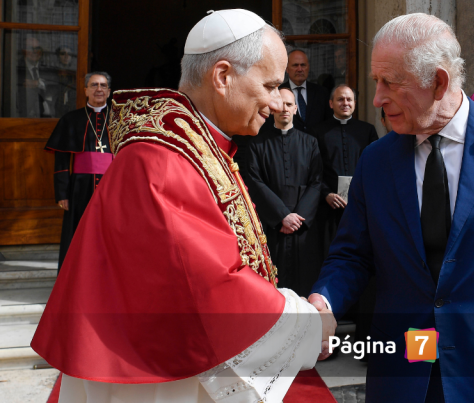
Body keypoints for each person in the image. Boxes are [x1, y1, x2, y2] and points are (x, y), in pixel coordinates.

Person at [32, 9, 334, 403]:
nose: (279, 102)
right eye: (271, 84)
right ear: (223, 77)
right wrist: (307, 325)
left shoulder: (198, 147)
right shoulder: (157, 162)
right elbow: (208, 287)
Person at [309, 13, 474, 403]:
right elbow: (352, 254)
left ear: (439, 82)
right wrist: (324, 300)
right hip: (404, 373)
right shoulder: (376, 160)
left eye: (390, 83)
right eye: (375, 82)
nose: (377, 98)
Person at [243, 88, 324, 297]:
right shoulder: (257, 144)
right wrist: (281, 216)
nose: (284, 109)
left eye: (289, 104)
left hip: (302, 227)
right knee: (271, 287)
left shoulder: (311, 143)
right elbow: (254, 182)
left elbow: (316, 182)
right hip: (272, 228)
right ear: (272, 110)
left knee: (304, 284)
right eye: (280, 105)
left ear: (296, 109)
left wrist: (297, 218)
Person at [45, 71, 113, 271]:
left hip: (112, 186)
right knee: (77, 233)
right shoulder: (71, 119)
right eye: (93, 85)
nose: (98, 89)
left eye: (102, 85)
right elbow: (62, 159)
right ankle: (74, 279)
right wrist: (62, 193)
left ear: (109, 91)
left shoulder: (120, 119)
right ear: (85, 90)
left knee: (110, 233)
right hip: (79, 187)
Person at [313, 84, 378, 253]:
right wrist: (326, 194)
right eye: (340, 99)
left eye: (349, 99)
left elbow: (375, 167)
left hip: (360, 205)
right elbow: (313, 169)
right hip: (329, 208)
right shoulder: (318, 132)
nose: (345, 103)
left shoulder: (367, 130)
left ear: (355, 103)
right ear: (331, 103)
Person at [282, 49, 332, 132]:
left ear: (308, 67)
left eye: (303, 65)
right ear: (287, 69)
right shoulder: (279, 93)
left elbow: (328, 122)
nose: (300, 69)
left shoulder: (322, 93)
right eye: (295, 65)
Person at [17, 36, 53, 118]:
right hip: (23, 118)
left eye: (37, 48)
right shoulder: (16, 69)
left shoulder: (47, 70)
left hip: (48, 120)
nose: (35, 51)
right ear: (24, 51)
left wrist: (38, 83)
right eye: (31, 48)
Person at [53, 46, 77, 115]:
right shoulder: (54, 73)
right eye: (63, 54)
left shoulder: (75, 74)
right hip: (57, 109)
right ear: (58, 56)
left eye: (69, 54)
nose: (66, 56)